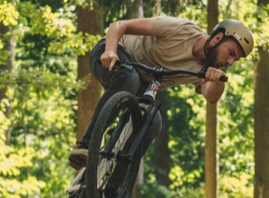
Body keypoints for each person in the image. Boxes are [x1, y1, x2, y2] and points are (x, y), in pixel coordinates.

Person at [69, 16, 255, 168]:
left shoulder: (204, 70)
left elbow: (211, 96)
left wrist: (218, 81)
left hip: (139, 81)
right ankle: (87, 145)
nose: (230, 62)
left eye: (235, 60)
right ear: (217, 38)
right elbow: (119, 25)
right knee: (129, 78)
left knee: (153, 121)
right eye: (231, 53)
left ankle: (113, 189)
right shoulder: (181, 29)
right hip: (114, 53)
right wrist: (110, 51)